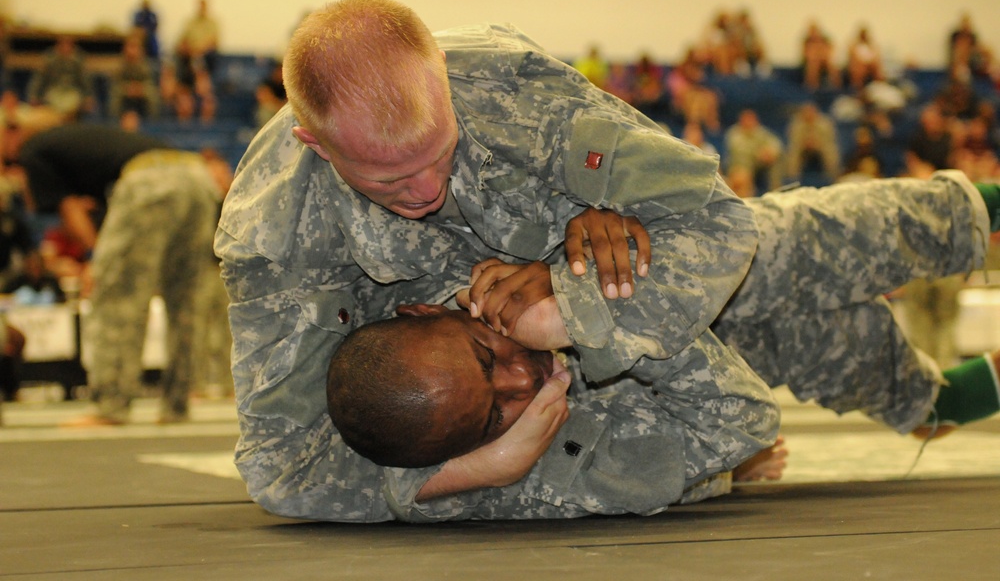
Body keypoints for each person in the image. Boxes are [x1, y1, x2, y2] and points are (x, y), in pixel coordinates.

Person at [216, 0, 767, 522]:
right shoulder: (272, 229)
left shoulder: (509, 86)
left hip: (679, 296)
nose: (427, 189)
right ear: (315, 143)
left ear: (444, 74)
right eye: (390, 179)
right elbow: (282, 469)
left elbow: (719, 219)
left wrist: (571, 311)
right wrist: (476, 473)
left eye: (438, 152)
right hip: (593, 376)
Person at [328, 170, 1000, 476]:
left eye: (486, 356)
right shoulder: (514, 441)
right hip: (754, 357)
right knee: (919, 401)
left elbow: (607, 163)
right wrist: (723, 469)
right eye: (494, 413)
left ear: (428, 312)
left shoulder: (471, 254)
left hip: (741, 261)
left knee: (916, 222)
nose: (520, 380)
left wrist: (589, 225)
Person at [6, 122, 232, 425]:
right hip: (195, 176)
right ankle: (176, 406)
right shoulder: (83, 143)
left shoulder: (33, 150)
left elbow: (69, 210)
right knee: (184, 302)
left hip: (149, 181)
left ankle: (111, 405)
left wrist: (96, 259)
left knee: (116, 296)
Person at [724, 109, 785, 195]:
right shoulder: (734, 133)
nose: (749, 122)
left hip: (759, 163)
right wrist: (758, 153)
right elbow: (740, 151)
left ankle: (776, 191)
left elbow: (776, 143)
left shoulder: (760, 131)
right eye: (746, 120)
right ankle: (747, 196)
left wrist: (770, 152)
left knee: (776, 160)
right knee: (742, 172)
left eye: (751, 120)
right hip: (739, 165)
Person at [785, 102, 841, 186]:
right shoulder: (797, 123)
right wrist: (805, 142)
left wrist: (816, 142)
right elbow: (794, 139)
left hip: (820, 145)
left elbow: (829, 137)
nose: (809, 115)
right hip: (802, 146)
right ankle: (793, 178)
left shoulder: (824, 122)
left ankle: (833, 177)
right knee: (793, 151)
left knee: (830, 150)